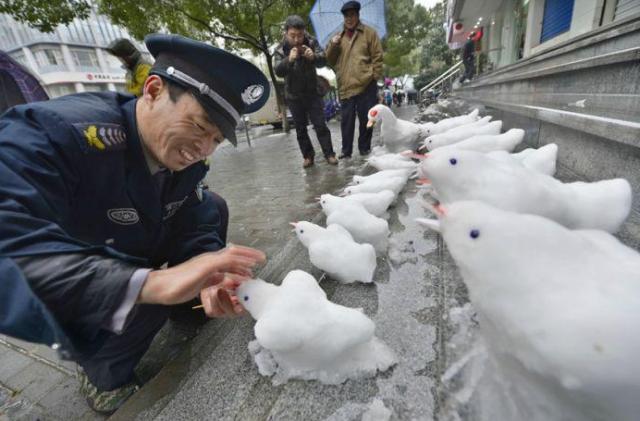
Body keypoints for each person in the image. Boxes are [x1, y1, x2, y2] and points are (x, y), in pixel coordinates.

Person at [0, 34, 271, 414]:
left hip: (134, 237)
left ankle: (187, 304)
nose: (204, 149)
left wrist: (208, 270)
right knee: (140, 299)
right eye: (199, 125)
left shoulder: (186, 153)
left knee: (214, 206)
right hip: (80, 274)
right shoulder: (58, 133)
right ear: (154, 89)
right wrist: (148, 283)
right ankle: (101, 372)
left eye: (216, 139)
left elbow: (194, 216)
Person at [274, 15, 337, 168]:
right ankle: (308, 156)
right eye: (293, 36)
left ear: (304, 32)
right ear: (286, 33)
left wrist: (314, 57)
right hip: (293, 96)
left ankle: (329, 154)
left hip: (312, 93)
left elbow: (323, 60)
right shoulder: (280, 49)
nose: (297, 39)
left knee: (320, 125)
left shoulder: (312, 42)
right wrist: (289, 59)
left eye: (300, 35)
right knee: (301, 129)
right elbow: (278, 71)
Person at [326, 0, 383, 159]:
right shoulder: (338, 37)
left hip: (366, 85)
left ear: (358, 15)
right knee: (347, 121)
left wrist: (374, 76)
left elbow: (378, 56)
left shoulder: (369, 33)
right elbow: (330, 60)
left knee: (368, 119)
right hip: (346, 85)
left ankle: (364, 147)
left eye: (352, 15)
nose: (349, 19)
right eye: (346, 16)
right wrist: (333, 45)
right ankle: (346, 150)